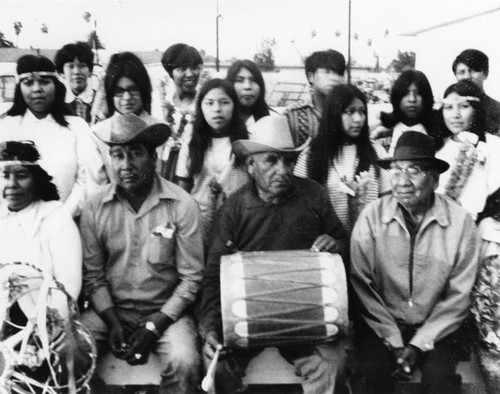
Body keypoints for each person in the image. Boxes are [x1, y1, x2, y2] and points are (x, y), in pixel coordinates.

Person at [199, 115, 349, 394]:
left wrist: (335, 244)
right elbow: (213, 274)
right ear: (251, 165)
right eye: (271, 160)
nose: (282, 169)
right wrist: (209, 328)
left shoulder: (313, 195)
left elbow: (342, 243)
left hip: (305, 322)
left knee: (334, 364)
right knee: (216, 368)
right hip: (244, 320)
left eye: (288, 161)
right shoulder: (235, 206)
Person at [80, 114, 204, 394]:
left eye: (136, 154)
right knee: (71, 348)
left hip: (165, 312)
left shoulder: (182, 205)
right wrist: (112, 321)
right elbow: (93, 276)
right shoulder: (95, 206)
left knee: (183, 362)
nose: (126, 165)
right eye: (118, 155)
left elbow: (191, 279)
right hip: (110, 311)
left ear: (154, 158)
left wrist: (154, 325)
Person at [350, 131, 479, 394]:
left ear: (434, 178)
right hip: (382, 325)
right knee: (369, 378)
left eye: (414, 171)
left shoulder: (460, 222)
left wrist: (420, 342)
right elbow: (363, 286)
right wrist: (394, 341)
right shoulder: (372, 216)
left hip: (438, 327)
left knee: (441, 383)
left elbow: (458, 296)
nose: (402, 182)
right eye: (396, 171)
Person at [0, 55, 100, 218]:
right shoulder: (5, 127)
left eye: (45, 81)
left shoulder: (77, 127)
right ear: (19, 88)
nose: (37, 88)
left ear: (56, 86)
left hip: (66, 224)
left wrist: (59, 219)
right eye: (29, 82)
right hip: (13, 228)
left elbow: (88, 181)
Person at [294, 84, 390, 232]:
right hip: (328, 247)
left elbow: (388, 203)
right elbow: (299, 209)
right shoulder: (310, 156)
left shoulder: (377, 152)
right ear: (334, 113)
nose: (358, 119)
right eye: (350, 112)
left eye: (362, 112)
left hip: (367, 242)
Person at [175, 78, 249, 243]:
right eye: (209, 103)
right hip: (198, 224)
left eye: (224, 102)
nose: (217, 109)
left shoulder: (246, 142)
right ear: (200, 107)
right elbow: (183, 189)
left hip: (238, 224)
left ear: (234, 106)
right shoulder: (192, 141)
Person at [92, 51, 166, 183]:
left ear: (143, 90)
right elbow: (98, 185)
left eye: (133, 89)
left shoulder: (160, 129)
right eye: (119, 91)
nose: (127, 98)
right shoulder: (98, 133)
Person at [435, 79, 500, 220]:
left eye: (464, 106)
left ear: (476, 110)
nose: (455, 114)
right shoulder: (437, 147)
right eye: (449, 107)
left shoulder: (493, 146)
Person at [159, 43, 210, 180]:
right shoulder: (161, 102)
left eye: (194, 68)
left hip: (196, 171)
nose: (190, 74)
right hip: (163, 169)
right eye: (182, 69)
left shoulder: (207, 103)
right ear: (171, 73)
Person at [283, 49, 346, 147]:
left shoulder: (348, 112)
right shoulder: (292, 114)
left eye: (339, 73)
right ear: (311, 76)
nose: (334, 78)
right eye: (327, 72)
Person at [371, 69, 440, 155]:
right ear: (397, 97)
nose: (412, 99)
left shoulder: (435, 128)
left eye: (417, 93)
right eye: (406, 93)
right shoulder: (387, 127)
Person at [452, 48, 500, 135]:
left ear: (486, 74)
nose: (467, 76)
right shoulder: (447, 108)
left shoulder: (497, 110)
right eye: (462, 72)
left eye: (474, 70)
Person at [226, 59, 276, 129]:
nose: (247, 86)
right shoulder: (219, 120)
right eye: (239, 80)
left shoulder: (273, 120)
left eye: (253, 80)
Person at [54, 41, 96, 124]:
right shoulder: (57, 102)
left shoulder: (99, 100)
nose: (76, 72)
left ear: (90, 71)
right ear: (62, 73)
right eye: (71, 66)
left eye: (82, 66)